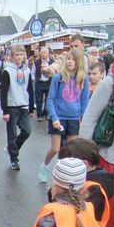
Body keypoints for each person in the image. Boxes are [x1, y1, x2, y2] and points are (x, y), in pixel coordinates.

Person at [79, 74, 114, 227]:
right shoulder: (109, 84)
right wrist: (83, 159)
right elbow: (90, 120)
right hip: (109, 160)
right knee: (107, 215)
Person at [38, 49, 89, 183]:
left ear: (79, 62)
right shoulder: (58, 78)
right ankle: (45, 165)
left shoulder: (83, 79)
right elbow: (50, 100)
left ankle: (64, 176)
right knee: (55, 148)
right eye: (68, 58)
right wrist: (54, 117)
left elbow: (84, 102)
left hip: (73, 119)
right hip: (59, 118)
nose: (70, 61)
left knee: (71, 151)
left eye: (73, 59)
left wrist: (83, 119)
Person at [0, 44, 35, 170]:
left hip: (24, 105)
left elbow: (30, 89)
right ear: (12, 57)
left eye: (21, 54)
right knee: (12, 134)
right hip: (12, 106)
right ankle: (14, 159)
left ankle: (11, 148)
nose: (19, 57)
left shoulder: (27, 71)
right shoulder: (7, 71)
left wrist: (31, 107)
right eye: (16, 55)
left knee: (27, 131)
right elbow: (3, 92)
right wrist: (5, 110)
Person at [34, 47, 54, 121]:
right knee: (39, 100)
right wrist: (35, 79)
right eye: (41, 52)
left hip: (49, 82)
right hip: (39, 82)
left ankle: (46, 113)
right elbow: (33, 71)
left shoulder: (52, 62)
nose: (42, 54)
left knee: (48, 99)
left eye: (44, 52)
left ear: (48, 53)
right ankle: (39, 115)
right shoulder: (36, 62)